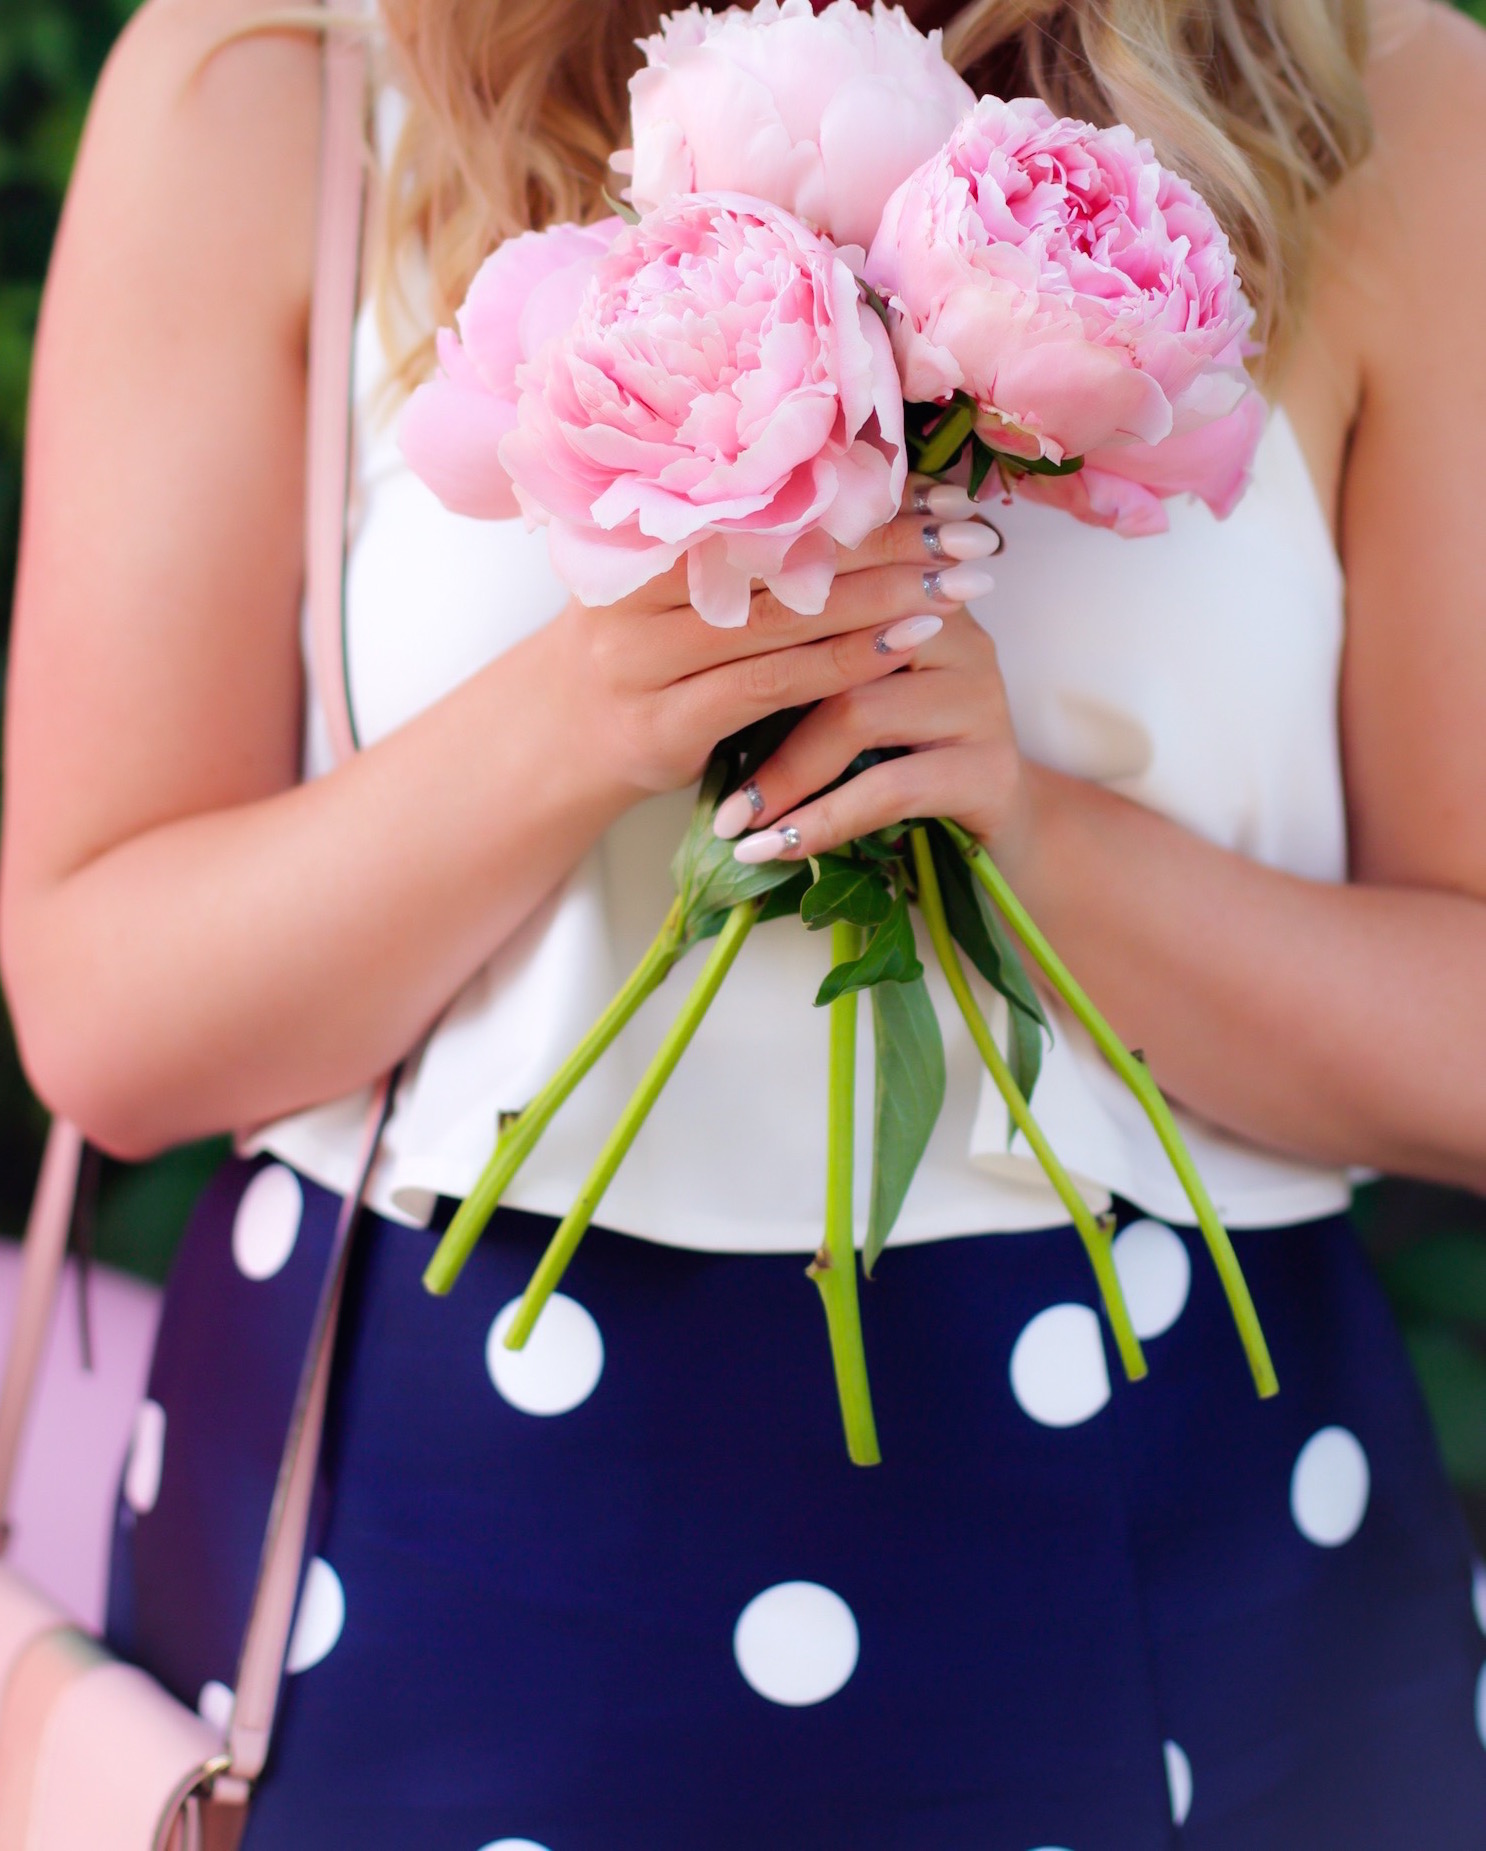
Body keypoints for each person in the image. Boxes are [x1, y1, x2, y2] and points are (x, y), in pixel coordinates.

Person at [4, 0, 1486, 1840]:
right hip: (438, 1554)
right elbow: (108, 1021)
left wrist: (1028, 830)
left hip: (1190, 1536)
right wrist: (586, 715)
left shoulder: (1373, 92)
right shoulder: (271, 84)